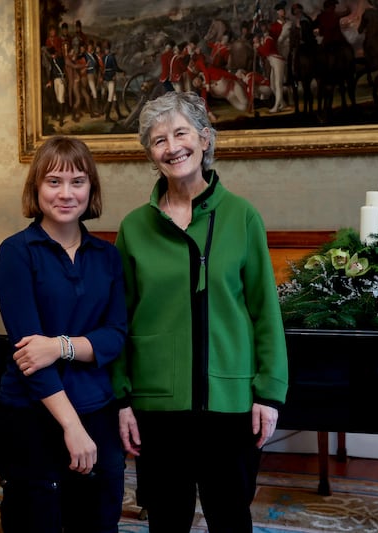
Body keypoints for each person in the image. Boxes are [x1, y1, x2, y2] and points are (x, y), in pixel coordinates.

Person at [112, 91, 288, 532]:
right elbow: (119, 319)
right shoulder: (135, 227)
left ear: (205, 139)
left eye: (180, 133)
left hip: (230, 404)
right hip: (157, 405)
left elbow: (265, 311)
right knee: (166, 519)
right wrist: (122, 399)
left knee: (230, 517)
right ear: (150, 155)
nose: (171, 147)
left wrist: (268, 393)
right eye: (158, 140)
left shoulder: (242, 216)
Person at [0, 136, 128, 533]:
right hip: (32, 414)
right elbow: (31, 357)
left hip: (97, 409)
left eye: (77, 182)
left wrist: (59, 346)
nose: (66, 194)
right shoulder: (17, 253)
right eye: (54, 182)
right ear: (36, 187)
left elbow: (116, 335)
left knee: (100, 522)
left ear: (91, 189)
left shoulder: (108, 255)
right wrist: (71, 427)